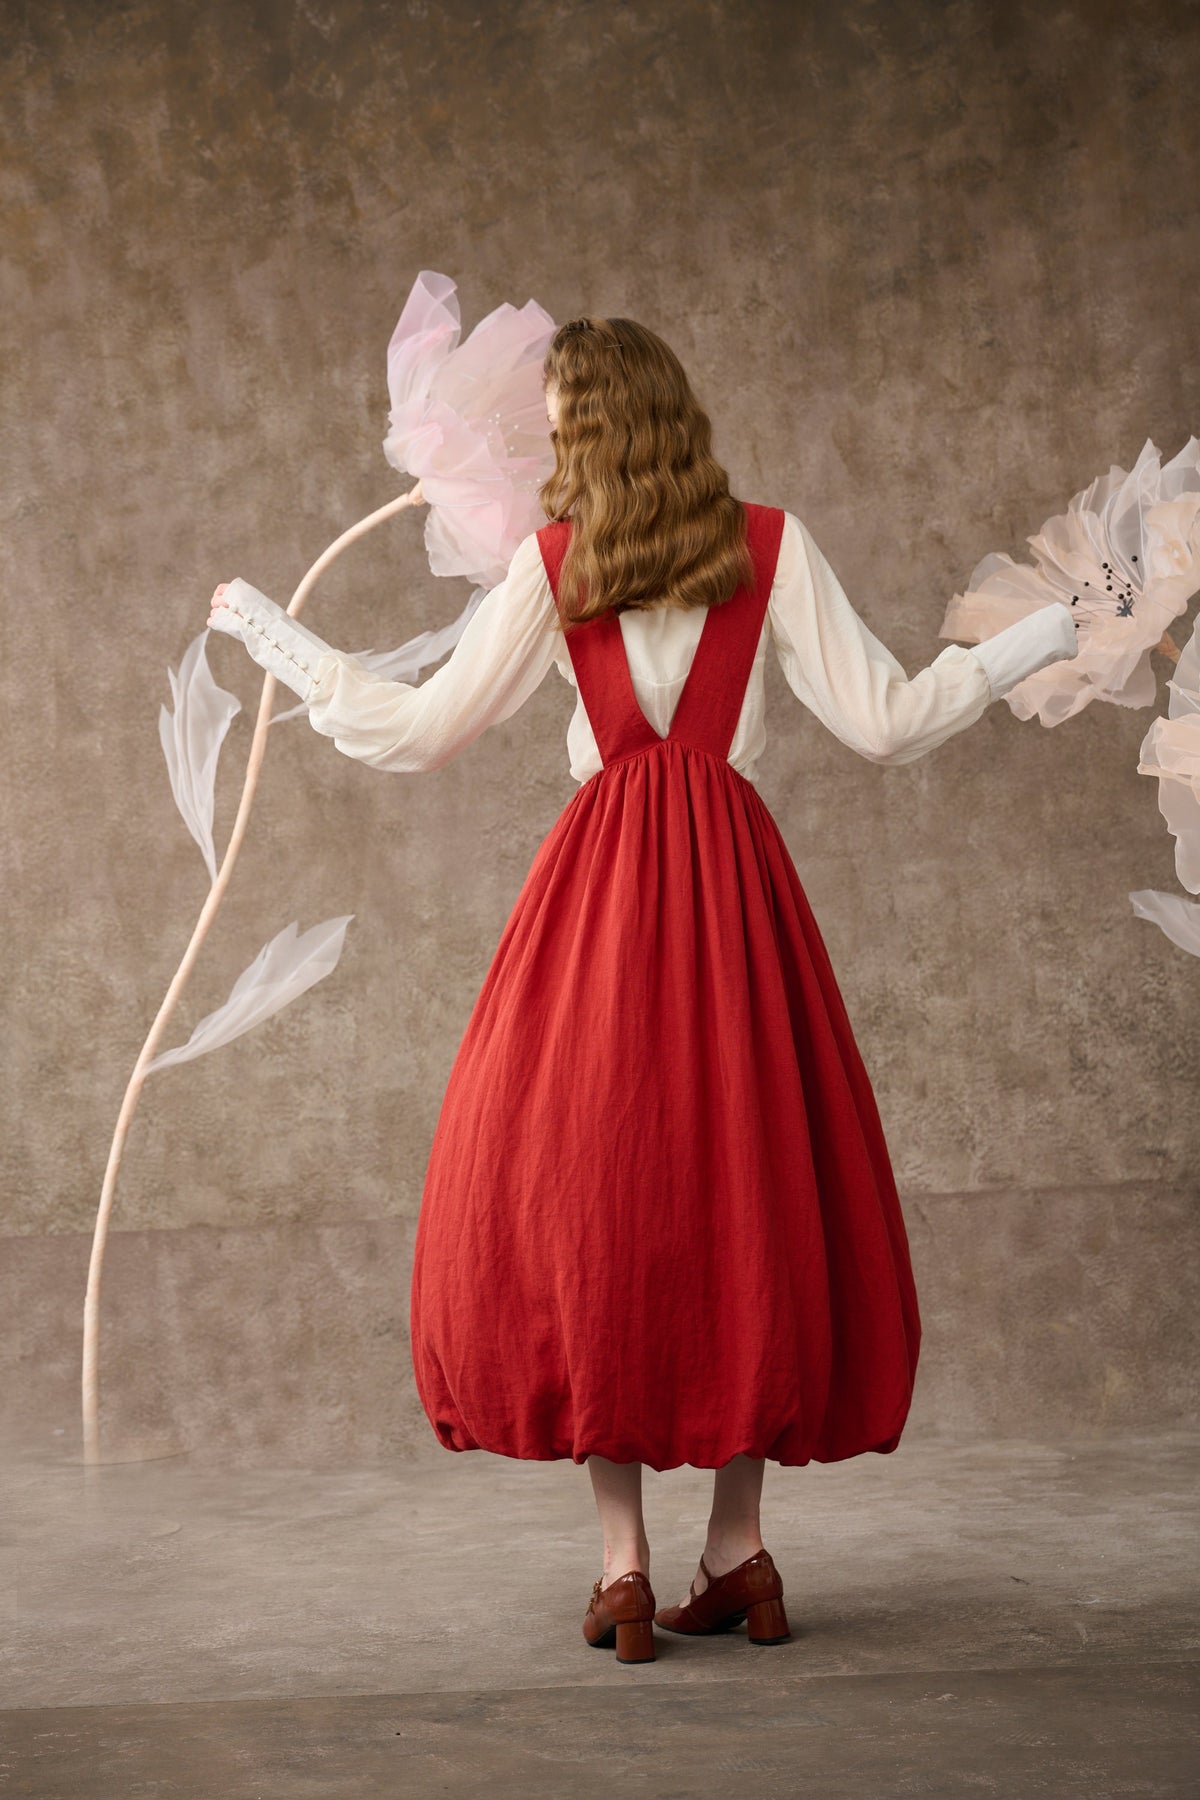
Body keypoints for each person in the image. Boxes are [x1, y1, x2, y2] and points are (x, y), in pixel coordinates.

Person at [208, 316, 1079, 1665]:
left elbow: (421, 729)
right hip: (734, 903)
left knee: (592, 1197)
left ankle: (624, 1568)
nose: (551, 446)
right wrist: (1050, 631)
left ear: (599, 428)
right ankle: (738, 1548)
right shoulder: (769, 546)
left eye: (562, 422)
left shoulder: (554, 563)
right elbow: (892, 720)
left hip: (600, 907)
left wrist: (273, 634)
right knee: (749, 1193)